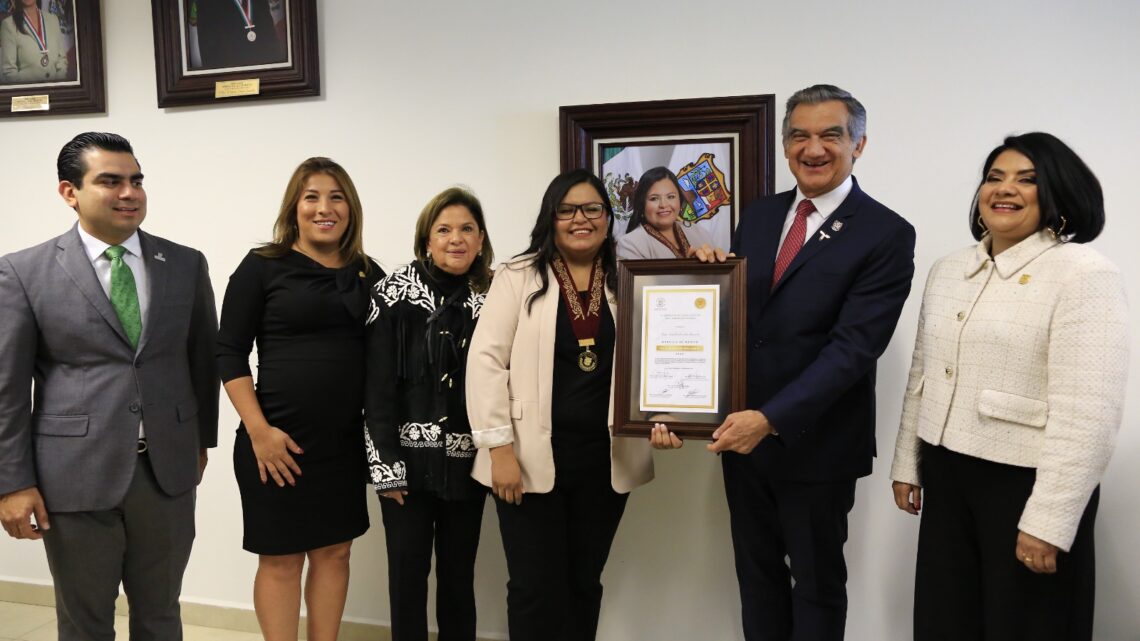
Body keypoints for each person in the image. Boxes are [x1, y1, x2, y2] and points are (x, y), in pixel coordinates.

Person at [889, 132, 1128, 641]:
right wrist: (907, 462)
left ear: (1058, 192)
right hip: (946, 472)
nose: (1005, 189)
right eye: (994, 178)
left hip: (1024, 485)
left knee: (1026, 624)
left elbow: (1089, 415)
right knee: (944, 620)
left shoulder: (1083, 274)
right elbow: (922, 374)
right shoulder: (950, 268)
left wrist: (1050, 521)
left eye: (1027, 179)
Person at [715, 84, 916, 641]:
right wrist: (704, 277)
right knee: (755, 579)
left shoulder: (885, 232)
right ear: (785, 147)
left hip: (817, 443)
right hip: (743, 440)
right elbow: (737, 322)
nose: (814, 148)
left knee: (817, 586)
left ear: (859, 144)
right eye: (800, 135)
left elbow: (853, 349)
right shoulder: (758, 216)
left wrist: (770, 418)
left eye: (831, 134)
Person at [0, 132, 219, 640]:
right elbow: (8, 390)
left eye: (136, 181)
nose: (129, 193)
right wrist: (12, 481)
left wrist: (199, 443)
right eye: (111, 181)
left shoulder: (185, 264)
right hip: (73, 475)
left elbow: (201, 362)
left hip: (165, 472)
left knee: (161, 613)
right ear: (69, 192)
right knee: (84, 621)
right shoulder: (23, 272)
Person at [466, 169, 680, 641]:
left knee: (584, 582)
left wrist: (669, 414)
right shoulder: (518, 275)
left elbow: (667, 352)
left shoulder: (632, 276)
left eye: (592, 209)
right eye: (567, 210)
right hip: (526, 458)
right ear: (552, 217)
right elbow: (484, 363)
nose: (579, 219)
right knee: (533, 587)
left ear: (608, 218)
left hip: (603, 461)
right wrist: (498, 448)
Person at [216, 157, 380, 641]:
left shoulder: (368, 273)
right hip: (276, 442)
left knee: (335, 553)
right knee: (282, 559)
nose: (325, 208)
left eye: (337, 197)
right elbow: (228, 353)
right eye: (312, 197)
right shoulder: (263, 266)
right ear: (295, 206)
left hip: (343, 444)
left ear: (351, 208)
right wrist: (260, 433)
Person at [364, 187, 494, 641]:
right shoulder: (392, 294)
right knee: (407, 576)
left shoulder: (496, 297)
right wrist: (386, 468)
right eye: (444, 229)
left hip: (469, 464)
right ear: (426, 240)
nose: (455, 239)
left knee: (459, 577)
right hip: (406, 467)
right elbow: (376, 389)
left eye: (466, 229)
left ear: (481, 240)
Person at [615, 166, 719, 260]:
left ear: (680, 200)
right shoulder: (630, 244)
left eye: (671, 197)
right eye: (654, 198)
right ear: (642, 204)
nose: (663, 205)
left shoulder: (698, 231)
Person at [193, 0, 285, 70]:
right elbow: (211, 55)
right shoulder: (206, 3)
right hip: (232, 78)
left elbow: (271, 42)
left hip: (264, 75)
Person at [0, 0, 69, 83]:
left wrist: (56, 88)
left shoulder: (53, 20)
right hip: (27, 93)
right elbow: (9, 72)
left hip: (55, 91)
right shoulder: (8, 25)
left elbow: (61, 60)